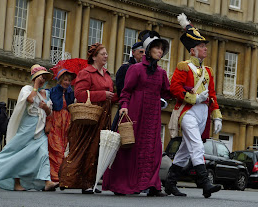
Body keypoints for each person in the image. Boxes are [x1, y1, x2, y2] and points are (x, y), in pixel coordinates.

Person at [102, 31, 172, 196]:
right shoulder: (135, 68)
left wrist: (185, 88)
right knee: (130, 148)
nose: (160, 51)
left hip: (153, 114)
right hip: (135, 111)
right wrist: (124, 105)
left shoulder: (161, 73)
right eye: (157, 48)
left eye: (162, 49)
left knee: (153, 148)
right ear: (148, 50)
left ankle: (152, 185)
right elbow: (126, 91)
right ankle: (122, 184)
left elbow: (167, 92)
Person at [165, 13, 222, 198]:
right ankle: (205, 183)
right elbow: (174, 88)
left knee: (183, 152)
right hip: (187, 112)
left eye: (204, 46)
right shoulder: (183, 66)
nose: (205, 49)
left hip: (203, 113)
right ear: (192, 50)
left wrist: (217, 116)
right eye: (201, 46)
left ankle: (170, 183)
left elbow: (212, 95)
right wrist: (194, 98)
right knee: (196, 146)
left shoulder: (208, 71)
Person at [0, 64, 59, 191]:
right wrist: (35, 86)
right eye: (41, 77)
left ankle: (47, 181)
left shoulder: (46, 93)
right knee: (17, 154)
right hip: (27, 127)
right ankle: (14, 182)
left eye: (44, 77)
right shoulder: (27, 89)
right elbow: (30, 99)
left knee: (43, 153)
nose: (43, 80)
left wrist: (46, 108)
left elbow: (49, 113)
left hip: (40, 128)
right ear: (35, 77)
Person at [58, 43, 116, 194]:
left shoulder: (107, 74)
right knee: (83, 148)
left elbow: (110, 94)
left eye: (106, 53)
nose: (106, 56)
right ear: (94, 57)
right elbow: (80, 94)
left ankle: (90, 182)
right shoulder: (86, 73)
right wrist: (103, 95)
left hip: (104, 115)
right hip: (89, 116)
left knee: (96, 149)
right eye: (103, 54)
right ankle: (67, 178)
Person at [46, 68, 76, 182]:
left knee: (64, 148)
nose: (67, 82)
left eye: (69, 80)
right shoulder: (52, 91)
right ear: (60, 80)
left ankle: (60, 174)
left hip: (66, 122)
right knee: (55, 148)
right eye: (65, 80)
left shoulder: (70, 93)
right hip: (55, 121)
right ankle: (54, 175)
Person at [111, 41, 145, 131]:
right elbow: (121, 90)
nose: (143, 55)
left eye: (145, 52)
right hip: (128, 107)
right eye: (141, 52)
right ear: (133, 53)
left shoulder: (148, 70)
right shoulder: (125, 68)